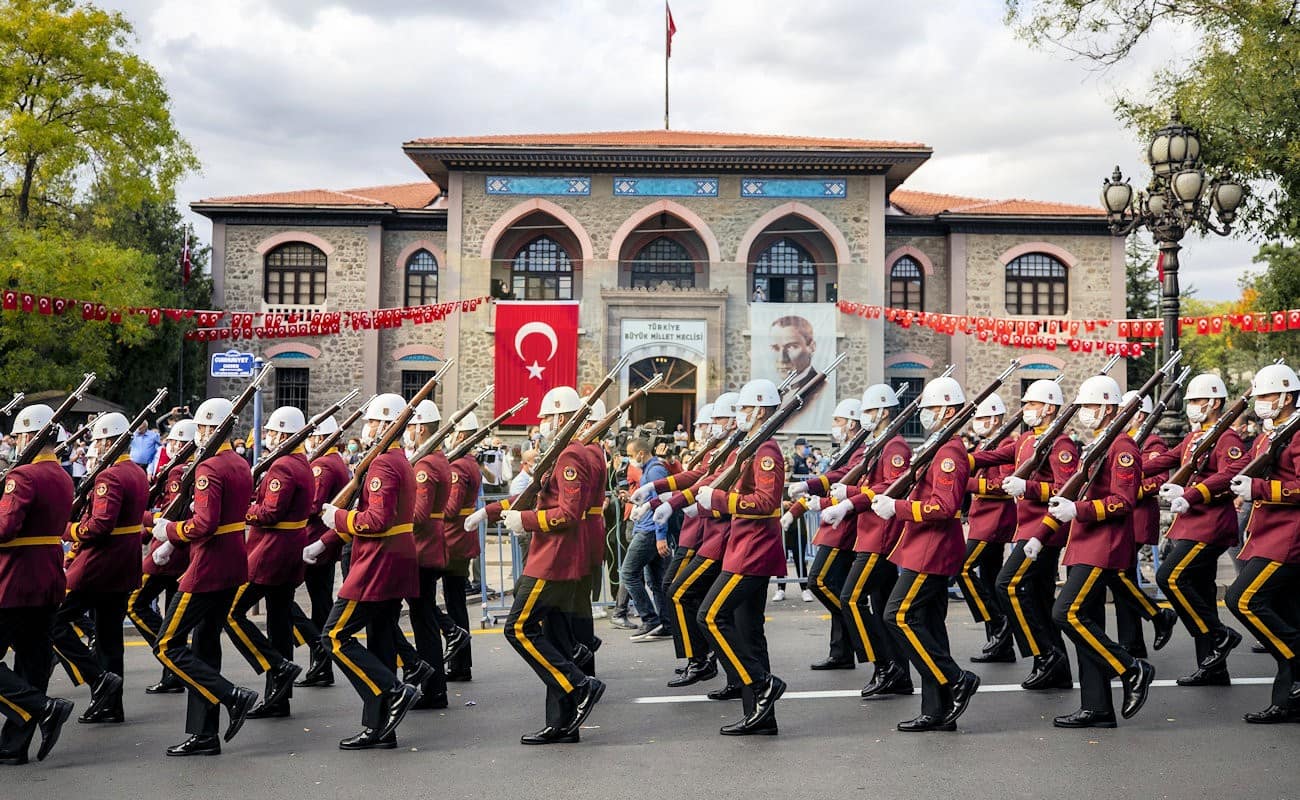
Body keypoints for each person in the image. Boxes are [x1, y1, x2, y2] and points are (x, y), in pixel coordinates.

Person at [472, 385, 605, 745]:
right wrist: (493, 510)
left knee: (517, 628)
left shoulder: (570, 457)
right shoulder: (562, 453)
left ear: (562, 417)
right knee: (557, 639)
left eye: (547, 417)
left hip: (554, 559)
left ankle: (579, 685)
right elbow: (538, 494)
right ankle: (562, 723)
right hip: (555, 556)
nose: (542, 424)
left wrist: (526, 521)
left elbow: (569, 513)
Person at [307, 393, 422, 750]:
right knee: (381, 639)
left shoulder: (384, 465)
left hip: (378, 562)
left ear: (387, 425)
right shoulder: (395, 460)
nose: (367, 428)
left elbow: (375, 520)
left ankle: (393, 690)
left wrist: (337, 517)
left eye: (372, 422)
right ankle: (380, 727)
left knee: (334, 636)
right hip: (391, 559)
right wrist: (328, 540)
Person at [148, 397, 259, 756]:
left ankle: (232, 695)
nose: (197, 433)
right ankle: (204, 733)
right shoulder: (240, 463)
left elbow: (204, 525)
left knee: (166, 644)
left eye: (200, 427)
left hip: (207, 565)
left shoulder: (208, 467)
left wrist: (171, 532)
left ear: (209, 428)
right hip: (232, 563)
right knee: (205, 645)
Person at [869, 375, 979, 732]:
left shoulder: (949, 451)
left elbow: (944, 507)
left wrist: (898, 508)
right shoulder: (938, 444)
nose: (926, 414)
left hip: (932, 548)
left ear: (948, 409)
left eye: (931, 408)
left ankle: (956, 679)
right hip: (921, 546)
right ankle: (937, 710)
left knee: (897, 616)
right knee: (928, 624)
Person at [1046, 375, 1156, 728]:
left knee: (1067, 613)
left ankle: (1131, 667)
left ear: (1109, 408)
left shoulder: (1122, 446)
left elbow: (1123, 502)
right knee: (1086, 618)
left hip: (1102, 543)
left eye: (1091, 406)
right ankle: (1097, 706)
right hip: (1084, 541)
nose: (1085, 413)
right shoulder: (1100, 441)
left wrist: (1078, 510)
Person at [692, 379, 787, 735]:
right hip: (743, 547)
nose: (740, 415)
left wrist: (718, 500)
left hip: (753, 550)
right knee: (748, 631)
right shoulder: (752, 446)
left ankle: (762, 684)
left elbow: (765, 503)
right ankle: (761, 716)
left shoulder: (765, 451)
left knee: (710, 616)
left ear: (760, 410)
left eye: (745, 409)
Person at [1149, 373, 1250, 685]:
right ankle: (1213, 667)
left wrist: (1192, 494)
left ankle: (1220, 635)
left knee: (1170, 576)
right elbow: (1168, 458)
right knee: (1203, 593)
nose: (1191, 406)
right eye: (1190, 400)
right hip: (1192, 524)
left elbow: (1232, 472)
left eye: (1196, 401)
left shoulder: (1227, 438)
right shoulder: (1196, 437)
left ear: (1215, 403)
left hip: (1211, 525)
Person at [978, 379, 1078, 691]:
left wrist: (1029, 488)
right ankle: (1055, 667)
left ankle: (1045, 653)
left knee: (1006, 584)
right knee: (1039, 596)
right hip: (1027, 528)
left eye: (1031, 404)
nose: (1025, 410)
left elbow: (1066, 490)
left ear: (1049, 408)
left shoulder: (1061, 444)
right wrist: (962, 458)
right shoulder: (1026, 440)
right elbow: (995, 456)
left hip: (1044, 531)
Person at [50, 412, 146, 724]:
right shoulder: (135, 471)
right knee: (109, 637)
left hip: (99, 565)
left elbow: (101, 524)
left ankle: (98, 680)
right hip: (123, 565)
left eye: (100, 440)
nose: (97, 445)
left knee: (54, 623)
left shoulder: (110, 476)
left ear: (108, 440)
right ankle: (110, 704)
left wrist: (69, 531)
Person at [820, 384, 913, 698]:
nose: (865, 417)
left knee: (851, 598)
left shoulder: (896, 447)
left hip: (880, 537)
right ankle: (898, 674)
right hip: (869, 534)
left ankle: (884, 665)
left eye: (870, 411)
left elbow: (889, 487)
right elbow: (854, 474)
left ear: (884, 412)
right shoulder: (880, 444)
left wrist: (849, 499)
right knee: (881, 605)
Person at [223, 406, 312, 719]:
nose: (269, 437)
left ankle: (278, 666)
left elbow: (270, 512)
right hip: (289, 551)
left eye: (273, 432)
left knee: (230, 612)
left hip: (270, 551)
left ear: (285, 433)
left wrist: (242, 510)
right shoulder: (300, 463)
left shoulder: (284, 467)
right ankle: (278, 698)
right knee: (279, 624)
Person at [0, 404, 76, 764]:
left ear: (30, 436)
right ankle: (14, 746)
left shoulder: (23, 476)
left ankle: (44, 708)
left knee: (27, 662)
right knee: (31, 663)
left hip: (14, 580)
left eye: (18, 436)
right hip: (47, 578)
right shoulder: (62, 476)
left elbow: (5, 529)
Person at [1227, 362, 1300, 723]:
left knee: (1242, 598)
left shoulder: (1298, 434)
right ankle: (1288, 701)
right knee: (1287, 614)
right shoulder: (1267, 435)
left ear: (1287, 397)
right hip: (1265, 533)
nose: (1261, 402)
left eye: (1268, 395)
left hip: (1289, 537)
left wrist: (1258, 488)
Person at [392, 399, 467, 712]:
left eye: (410, 427)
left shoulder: (424, 466)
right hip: (430, 547)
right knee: (424, 618)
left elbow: (419, 514)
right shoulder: (435, 460)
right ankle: (433, 687)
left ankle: (432, 687)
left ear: (420, 428)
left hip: (421, 549)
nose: (408, 432)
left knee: (423, 623)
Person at [785, 396, 863, 670]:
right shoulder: (850, 447)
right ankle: (841, 651)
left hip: (845, 527)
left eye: (838, 420)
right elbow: (838, 474)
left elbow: (848, 481)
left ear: (852, 423)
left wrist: (812, 489)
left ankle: (857, 624)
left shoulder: (861, 450)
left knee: (820, 582)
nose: (834, 425)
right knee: (836, 586)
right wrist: (809, 486)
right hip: (835, 525)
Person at [129, 419, 196, 695]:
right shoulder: (188, 468)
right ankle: (172, 672)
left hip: (167, 549)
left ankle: (170, 655)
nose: (172, 446)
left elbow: (169, 514)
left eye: (176, 442)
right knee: (170, 613)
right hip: (178, 549)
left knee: (135, 603)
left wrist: (141, 517)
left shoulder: (180, 471)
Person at [1114, 391, 1177, 659]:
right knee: (1122, 578)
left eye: (1123, 411)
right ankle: (1132, 642)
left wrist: (1125, 490)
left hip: (1136, 517)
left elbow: (1158, 480)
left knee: (1119, 576)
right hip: (1121, 517)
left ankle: (1154, 619)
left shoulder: (1152, 442)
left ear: (1139, 415)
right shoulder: (1122, 439)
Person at [291, 415, 350, 688]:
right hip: (323, 542)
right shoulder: (334, 461)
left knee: (309, 601)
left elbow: (313, 505)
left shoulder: (323, 465)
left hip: (315, 539)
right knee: (320, 602)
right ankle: (321, 660)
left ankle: (320, 655)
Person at [961, 393, 1019, 663]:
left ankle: (999, 624)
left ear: (996, 419)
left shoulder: (1007, 444)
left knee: (960, 568)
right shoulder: (988, 443)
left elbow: (1005, 486)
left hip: (994, 520)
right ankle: (1001, 645)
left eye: (983, 417)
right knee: (990, 581)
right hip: (982, 519)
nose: (978, 422)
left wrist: (968, 484)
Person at [441, 412, 483, 682]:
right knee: (456, 604)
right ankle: (461, 663)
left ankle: (459, 664)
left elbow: (451, 507)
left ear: (461, 435)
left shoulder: (457, 466)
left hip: (452, 539)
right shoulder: (468, 462)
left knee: (454, 604)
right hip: (460, 538)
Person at [621, 438, 674, 642]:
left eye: (632, 455)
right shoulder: (651, 470)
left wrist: (660, 536)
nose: (631, 460)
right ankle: (665, 623)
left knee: (628, 573)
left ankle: (650, 619)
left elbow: (662, 503)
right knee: (656, 581)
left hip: (649, 531)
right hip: (649, 528)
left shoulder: (654, 471)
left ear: (641, 453)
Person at [777, 437, 814, 602]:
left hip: (798, 525)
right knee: (781, 558)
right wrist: (782, 504)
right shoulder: (775, 483)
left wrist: (795, 503)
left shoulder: (797, 481)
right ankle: (780, 588)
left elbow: (806, 498)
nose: (786, 469)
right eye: (783, 466)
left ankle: (804, 588)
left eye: (788, 466)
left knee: (800, 557)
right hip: (781, 526)